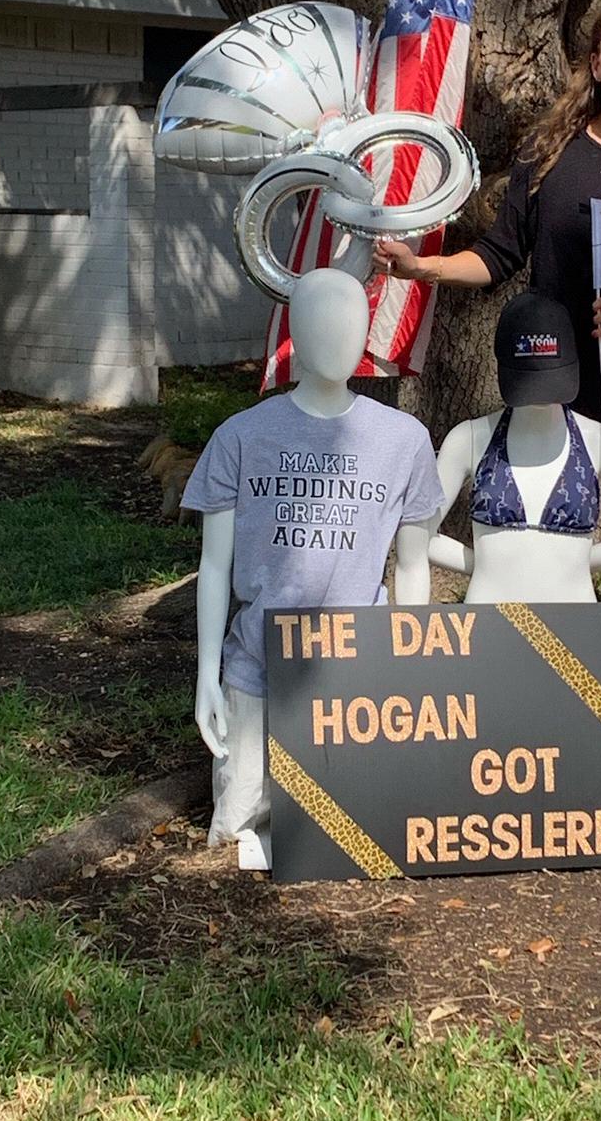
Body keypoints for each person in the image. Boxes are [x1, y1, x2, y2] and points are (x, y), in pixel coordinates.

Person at [376, 0, 601, 815]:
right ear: (595, 66)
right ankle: (527, 728)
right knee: (523, 551)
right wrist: (423, 270)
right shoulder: (551, 158)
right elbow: (497, 257)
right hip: (551, 388)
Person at [182, 267, 444, 870]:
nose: (339, 337)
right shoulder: (241, 437)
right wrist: (208, 674)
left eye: (352, 321)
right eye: (321, 320)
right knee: (239, 831)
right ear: (294, 330)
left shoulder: (403, 439)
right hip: (259, 667)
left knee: (358, 828)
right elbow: (214, 566)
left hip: (358, 669)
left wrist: (413, 660)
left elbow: (412, 566)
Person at [429, 290, 601, 607]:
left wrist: (578, 562)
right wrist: (483, 565)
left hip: (572, 626)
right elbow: (418, 535)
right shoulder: (468, 439)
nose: (540, 395)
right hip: (488, 623)